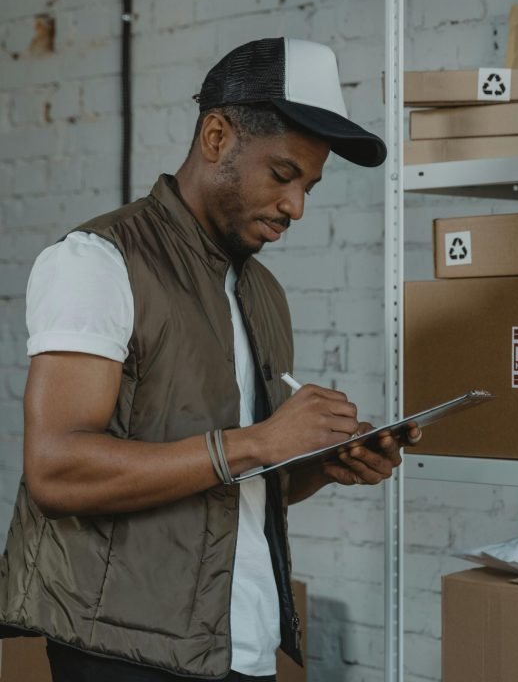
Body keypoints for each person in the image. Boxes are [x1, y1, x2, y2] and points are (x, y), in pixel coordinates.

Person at [0, 37, 416, 682]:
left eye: (308, 185)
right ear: (217, 136)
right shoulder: (98, 261)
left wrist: (320, 463)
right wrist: (259, 442)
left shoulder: (261, 291)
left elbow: (243, 485)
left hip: (239, 643)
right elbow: (56, 470)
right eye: (282, 175)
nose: (295, 207)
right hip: (121, 651)